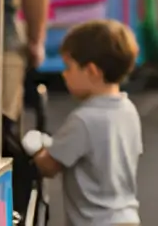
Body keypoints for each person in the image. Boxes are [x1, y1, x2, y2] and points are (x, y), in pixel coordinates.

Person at [25, 20, 143, 226]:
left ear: (91, 71)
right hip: (127, 217)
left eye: (69, 67)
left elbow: (49, 166)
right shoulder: (128, 110)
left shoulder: (83, 119)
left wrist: (35, 146)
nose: (64, 74)